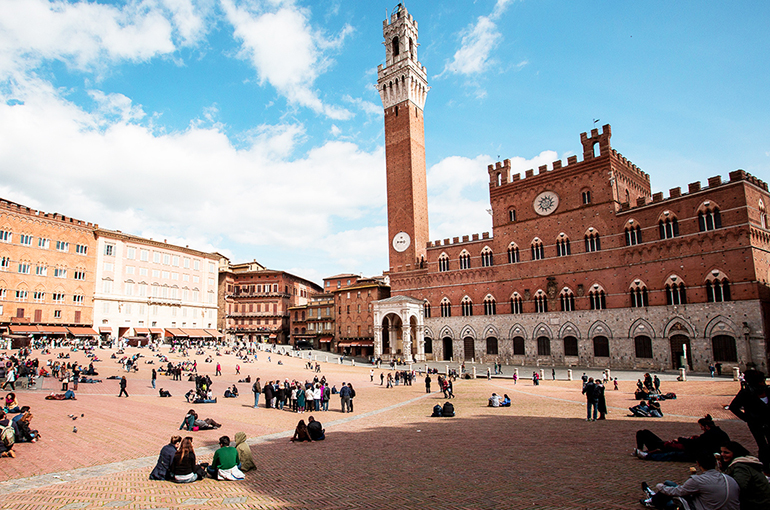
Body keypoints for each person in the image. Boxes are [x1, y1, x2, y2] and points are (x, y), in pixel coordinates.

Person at [639, 450, 739, 509]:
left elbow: (677, 492)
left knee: (669, 500)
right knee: (669, 485)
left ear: (698, 464)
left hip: (705, 507)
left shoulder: (698, 480)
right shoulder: (728, 479)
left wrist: (660, 486)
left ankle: (653, 500)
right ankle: (653, 498)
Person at [634, 415, 730, 462]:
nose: (701, 429)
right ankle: (645, 452)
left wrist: (681, 440)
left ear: (707, 427)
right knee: (646, 434)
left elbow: (695, 443)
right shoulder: (716, 432)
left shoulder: (710, 434)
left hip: (700, 454)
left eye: (702, 427)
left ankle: (647, 455)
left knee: (673, 454)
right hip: (701, 452)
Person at [728, 369, 770, 471]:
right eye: (761, 381)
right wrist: (747, 418)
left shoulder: (768, 390)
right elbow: (733, 407)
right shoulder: (746, 393)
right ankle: (764, 468)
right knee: (762, 446)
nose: (763, 382)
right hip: (756, 423)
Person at [718, 441, 770, 510]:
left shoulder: (741, 467)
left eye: (726, 452)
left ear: (735, 453)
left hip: (757, 504)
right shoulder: (746, 462)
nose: (722, 454)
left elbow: (737, 487)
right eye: (721, 452)